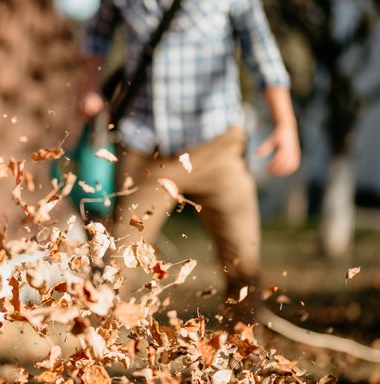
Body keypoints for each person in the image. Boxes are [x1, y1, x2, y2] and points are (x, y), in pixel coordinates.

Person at [80, 0, 301, 327]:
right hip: (146, 150)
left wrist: (285, 123)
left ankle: (241, 355)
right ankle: (96, 358)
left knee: (243, 265)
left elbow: (262, 50)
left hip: (218, 147)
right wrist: (89, 88)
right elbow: (96, 37)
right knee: (115, 266)